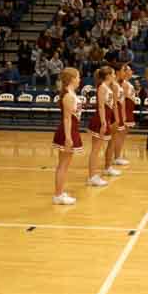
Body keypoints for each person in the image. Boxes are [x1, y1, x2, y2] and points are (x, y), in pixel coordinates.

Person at [51, 68, 84, 205]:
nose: (80, 79)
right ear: (72, 79)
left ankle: (60, 192)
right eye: (78, 77)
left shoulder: (71, 93)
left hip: (71, 129)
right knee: (63, 165)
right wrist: (68, 137)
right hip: (68, 131)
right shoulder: (69, 96)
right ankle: (58, 195)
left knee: (64, 165)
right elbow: (67, 118)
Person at [85, 67, 121, 188]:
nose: (115, 75)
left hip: (105, 119)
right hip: (100, 120)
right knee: (95, 150)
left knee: (97, 149)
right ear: (108, 76)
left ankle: (93, 175)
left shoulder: (107, 87)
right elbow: (100, 106)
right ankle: (91, 177)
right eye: (113, 73)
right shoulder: (102, 87)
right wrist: (104, 122)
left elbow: (110, 106)